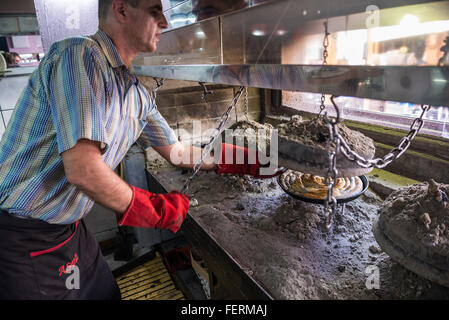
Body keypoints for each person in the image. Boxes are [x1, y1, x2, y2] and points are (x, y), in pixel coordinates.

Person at [0, 0, 279, 300]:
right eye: (154, 11)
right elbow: (83, 169)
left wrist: (238, 160)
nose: (165, 22)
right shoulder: (79, 56)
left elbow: (176, 151)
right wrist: (155, 210)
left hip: (67, 226)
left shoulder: (133, 91)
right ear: (121, 10)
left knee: (106, 293)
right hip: (25, 233)